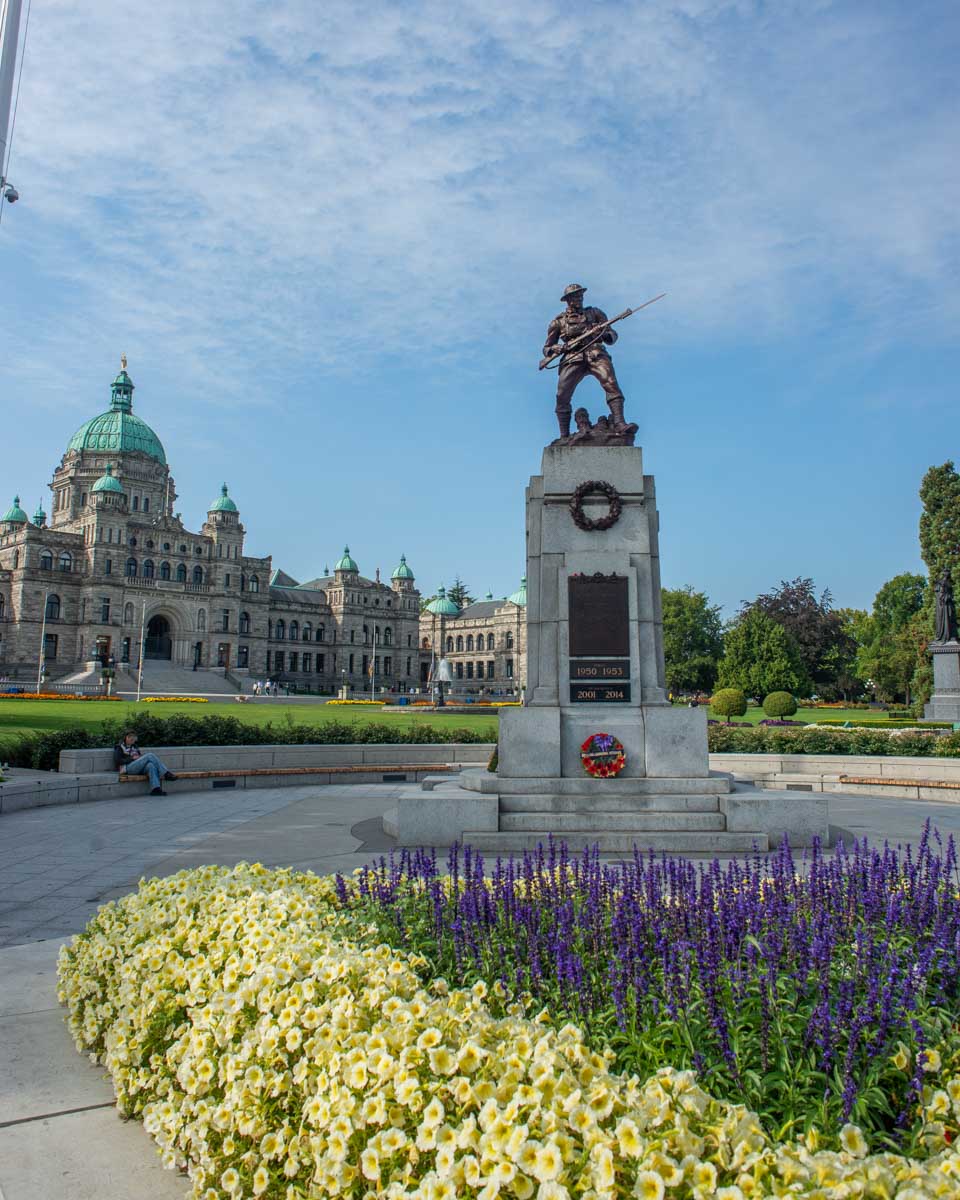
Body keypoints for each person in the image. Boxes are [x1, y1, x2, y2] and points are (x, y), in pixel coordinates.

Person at [542, 284, 629, 440]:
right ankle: (564, 436)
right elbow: (546, 348)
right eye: (576, 296)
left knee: (611, 383)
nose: (579, 298)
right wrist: (555, 348)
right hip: (572, 357)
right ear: (568, 300)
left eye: (581, 295)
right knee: (562, 395)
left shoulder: (595, 313)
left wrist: (602, 333)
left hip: (595, 354)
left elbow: (612, 336)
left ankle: (620, 423)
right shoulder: (558, 322)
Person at [113, 731, 177, 796]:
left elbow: (139, 757)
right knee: (150, 755)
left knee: (150, 765)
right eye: (132, 740)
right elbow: (118, 760)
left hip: (137, 767)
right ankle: (165, 773)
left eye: (134, 740)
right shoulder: (119, 747)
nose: (133, 742)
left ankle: (155, 789)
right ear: (127, 737)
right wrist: (132, 758)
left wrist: (139, 758)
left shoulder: (134, 746)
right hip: (127, 768)